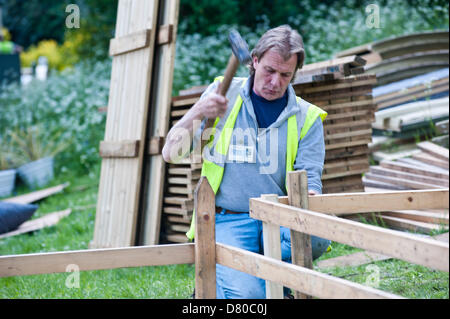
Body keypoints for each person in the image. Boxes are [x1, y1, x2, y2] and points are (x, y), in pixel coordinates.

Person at [162, 25, 330, 299]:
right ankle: (248, 283)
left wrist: (310, 206)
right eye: (269, 71)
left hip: (278, 217)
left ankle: (250, 278)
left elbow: (311, 180)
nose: (275, 82)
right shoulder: (223, 94)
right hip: (229, 220)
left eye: (285, 75)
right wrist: (198, 111)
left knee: (320, 234)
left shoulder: (306, 117)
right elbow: (171, 153)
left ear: (294, 74)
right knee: (250, 298)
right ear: (254, 61)